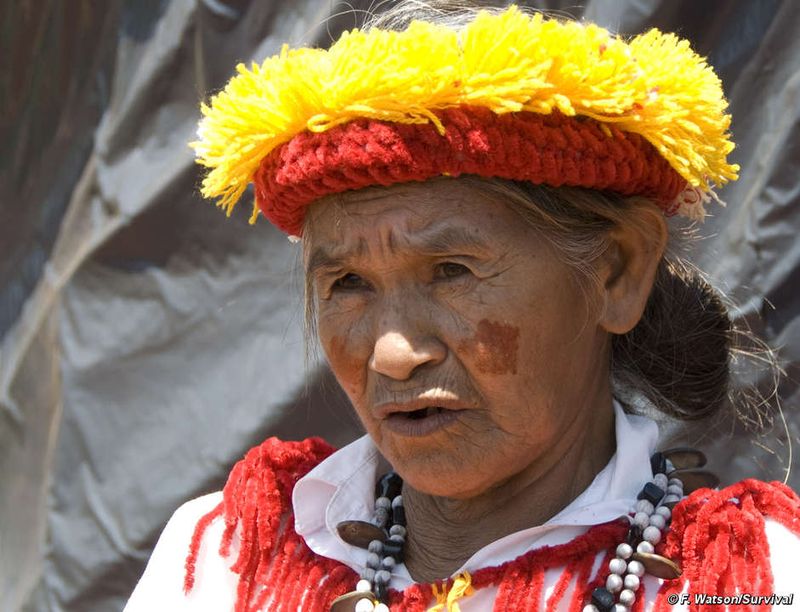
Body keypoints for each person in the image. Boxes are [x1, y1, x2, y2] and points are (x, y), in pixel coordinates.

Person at [125, 3, 800, 611]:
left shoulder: (754, 581)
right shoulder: (228, 562)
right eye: (349, 284)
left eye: (450, 271)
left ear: (617, 272)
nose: (392, 353)